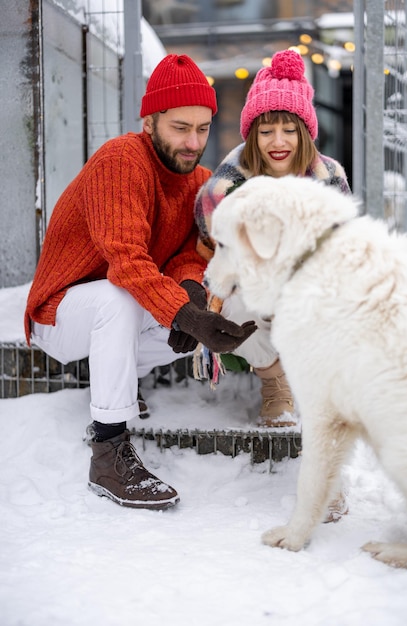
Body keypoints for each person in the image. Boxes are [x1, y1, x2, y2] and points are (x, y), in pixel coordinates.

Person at [24, 54, 256, 511]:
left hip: (120, 305)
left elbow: (191, 253)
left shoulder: (201, 181)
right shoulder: (122, 159)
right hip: (60, 312)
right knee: (120, 298)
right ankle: (108, 452)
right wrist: (183, 312)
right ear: (150, 123)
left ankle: (120, 385)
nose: (194, 142)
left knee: (198, 304)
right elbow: (125, 261)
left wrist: (191, 298)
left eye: (203, 128)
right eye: (180, 127)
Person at [194, 49, 351, 429]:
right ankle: (275, 381)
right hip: (253, 288)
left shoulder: (328, 177)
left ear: (305, 132)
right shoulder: (231, 182)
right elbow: (214, 240)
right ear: (252, 135)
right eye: (266, 131)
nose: (277, 141)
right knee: (232, 306)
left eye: (288, 130)